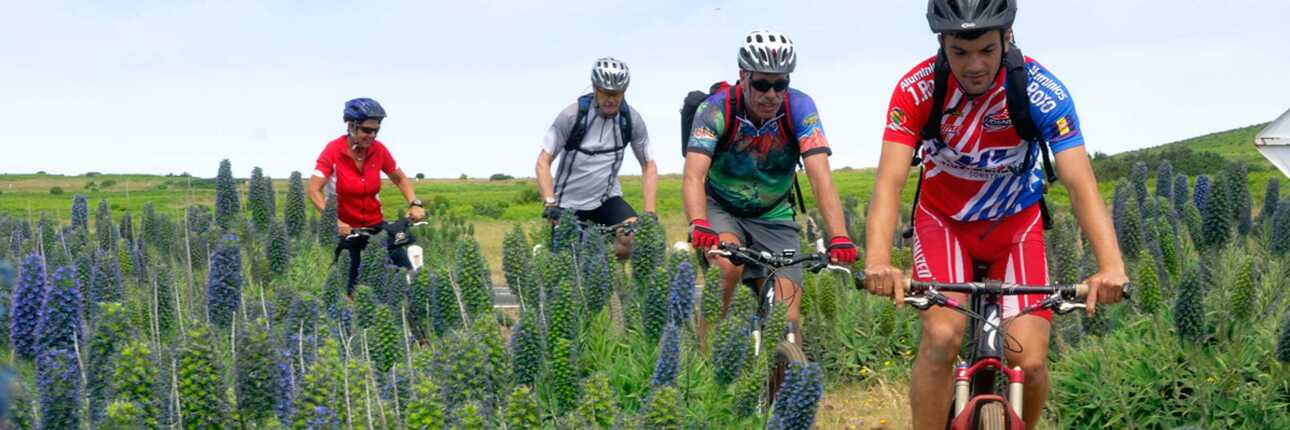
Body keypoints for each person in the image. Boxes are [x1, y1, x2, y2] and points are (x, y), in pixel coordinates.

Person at [860, 2, 1128, 428]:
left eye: (987, 50)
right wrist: (877, 260)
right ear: (941, 44)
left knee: (1031, 361)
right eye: (959, 52)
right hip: (942, 222)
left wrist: (1111, 266)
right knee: (942, 338)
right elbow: (888, 183)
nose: (974, 66)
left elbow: (1081, 184)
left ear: (1008, 37)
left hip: (1015, 226)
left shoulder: (1041, 90)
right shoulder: (917, 89)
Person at [683, 30, 857, 330]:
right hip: (723, 208)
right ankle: (704, 361)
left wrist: (839, 235)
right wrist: (699, 222)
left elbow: (820, 176)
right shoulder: (715, 109)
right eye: (762, 84)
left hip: (774, 213)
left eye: (780, 85)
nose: (772, 95)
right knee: (726, 269)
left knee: (786, 319)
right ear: (743, 75)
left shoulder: (800, 108)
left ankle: (784, 371)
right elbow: (693, 174)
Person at [536, 57, 657, 260]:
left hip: (606, 198)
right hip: (568, 203)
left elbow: (649, 165)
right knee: (567, 263)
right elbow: (543, 162)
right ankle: (588, 263)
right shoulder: (571, 116)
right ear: (595, 88)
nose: (611, 99)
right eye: (605, 93)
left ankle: (600, 263)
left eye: (616, 94)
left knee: (636, 238)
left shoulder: (632, 120)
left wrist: (650, 212)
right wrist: (550, 204)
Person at [307, 97, 426, 294]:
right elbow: (313, 189)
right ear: (351, 126)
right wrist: (334, 220)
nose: (372, 136)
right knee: (349, 289)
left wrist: (415, 203)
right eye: (366, 130)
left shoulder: (378, 150)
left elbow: (401, 179)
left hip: (376, 227)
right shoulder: (333, 151)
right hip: (346, 231)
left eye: (376, 131)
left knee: (406, 276)